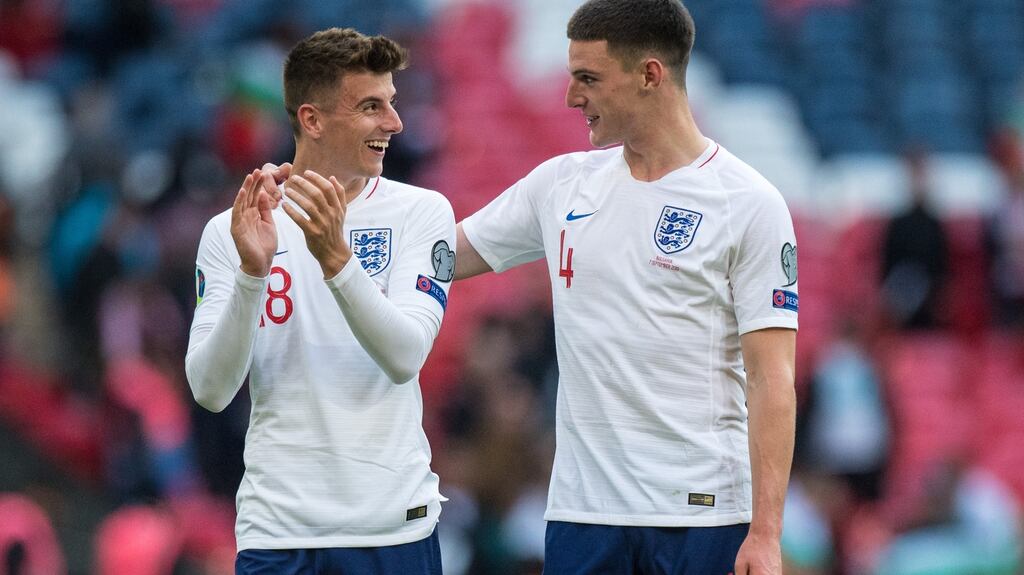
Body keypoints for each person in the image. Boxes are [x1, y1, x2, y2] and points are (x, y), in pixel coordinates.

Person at [454, 0, 799, 573]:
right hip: (583, 516)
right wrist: (321, 233)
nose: (570, 97)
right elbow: (444, 254)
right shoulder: (561, 184)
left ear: (649, 75)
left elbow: (773, 379)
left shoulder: (750, 204)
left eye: (588, 79)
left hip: (702, 517)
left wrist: (765, 532)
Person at [185, 27, 454, 574]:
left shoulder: (422, 213)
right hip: (277, 530)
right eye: (371, 107)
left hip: (390, 527)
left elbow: (405, 357)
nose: (394, 124)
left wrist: (336, 260)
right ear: (312, 119)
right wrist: (250, 275)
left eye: (393, 104)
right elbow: (210, 391)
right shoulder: (233, 231)